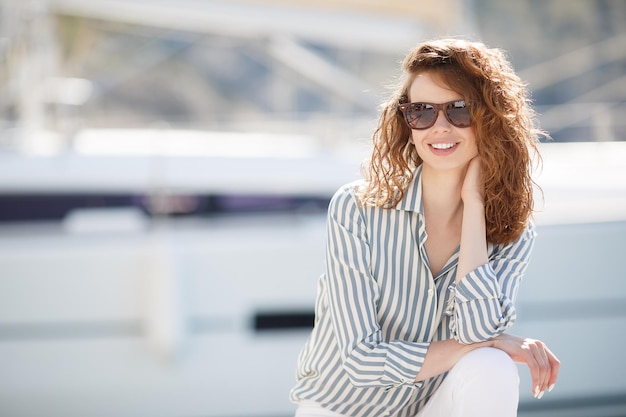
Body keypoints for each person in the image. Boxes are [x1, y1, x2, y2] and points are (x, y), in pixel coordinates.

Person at [289, 38, 560, 417]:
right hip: (340, 410)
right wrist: (492, 342)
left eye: (460, 111)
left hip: (425, 408)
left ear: (491, 118)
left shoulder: (512, 234)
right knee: (489, 352)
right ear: (407, 122)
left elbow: (476, 328)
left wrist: (475, 208)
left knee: (491, 366)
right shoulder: (357, 209)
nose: (440, 127)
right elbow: (362, 361)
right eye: (422, 112)